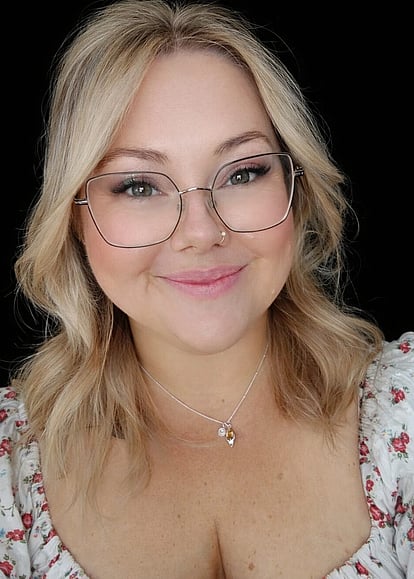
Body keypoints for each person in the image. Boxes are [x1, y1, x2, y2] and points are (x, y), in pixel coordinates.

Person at [0, 0, 412, 576]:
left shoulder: (405, 410)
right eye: (139, 186)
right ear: (75, 217)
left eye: (242, 173)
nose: (201, 232)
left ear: (295, 187)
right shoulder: (11, 471)